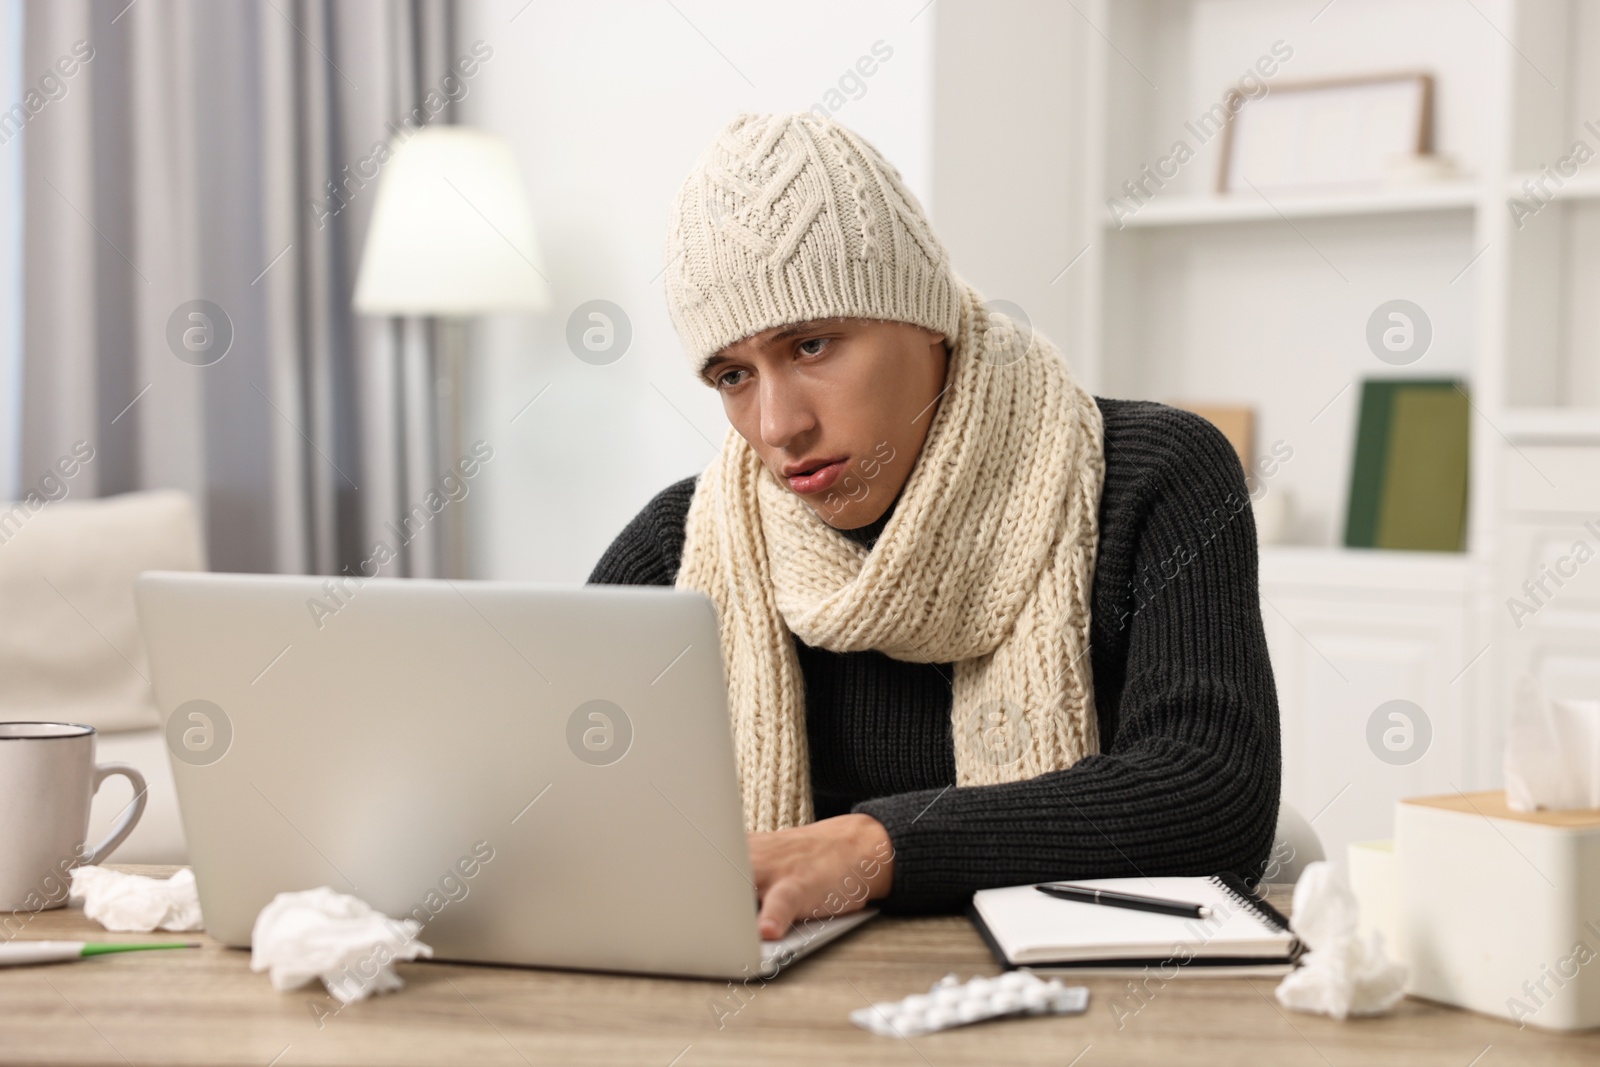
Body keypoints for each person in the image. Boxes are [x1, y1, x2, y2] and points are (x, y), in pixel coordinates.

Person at [589, 111, 1281, 940]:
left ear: (927, 320)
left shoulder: (1154, 476)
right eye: (734, 375)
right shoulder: (688, 544)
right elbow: (546, 798)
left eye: (811, 345)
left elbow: (1213, 796)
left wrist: (876, 846)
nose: (777, 425)